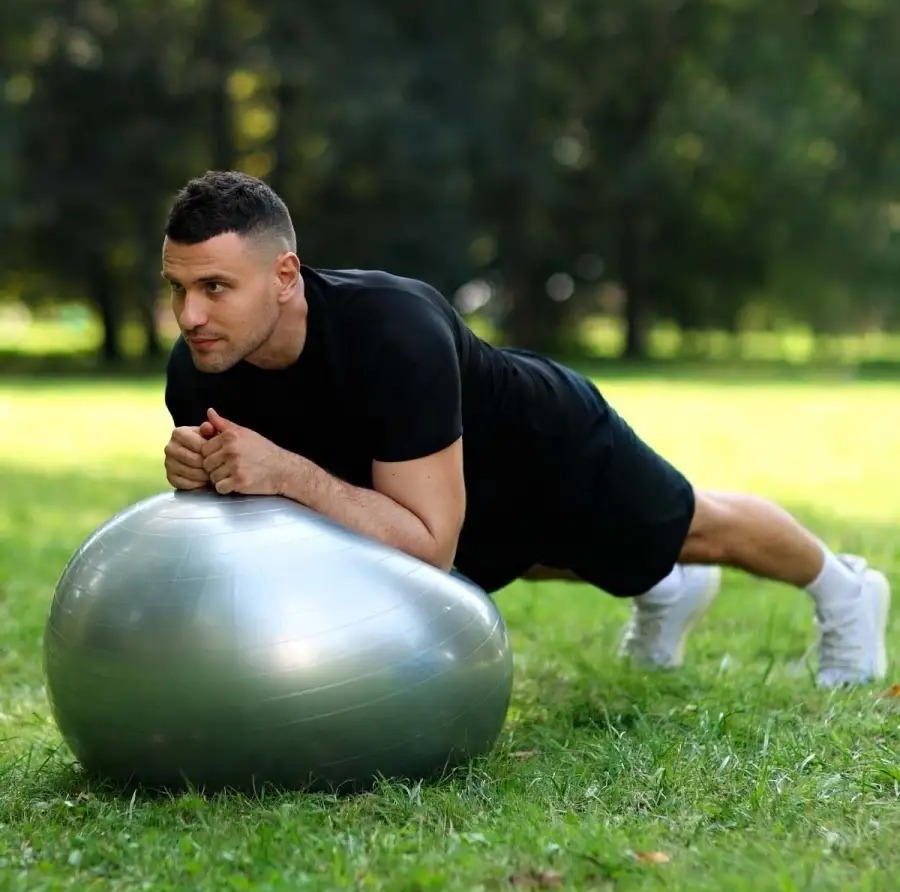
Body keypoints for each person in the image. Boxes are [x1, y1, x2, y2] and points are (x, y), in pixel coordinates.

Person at [161, 170, 891, 688]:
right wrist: (204, 477)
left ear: (285, 274)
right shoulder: (198, 370)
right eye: (178, 288)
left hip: (545, 445)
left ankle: (845, 591)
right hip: (422, 491)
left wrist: (285, 472)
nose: (190, 315)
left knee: (697, 527)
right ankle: (668, 589)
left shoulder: (394, 330)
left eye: (215, 287)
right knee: (542, 557)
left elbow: (428, 548)